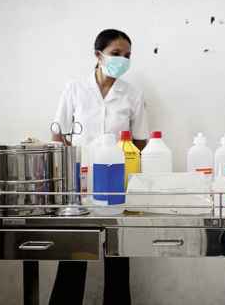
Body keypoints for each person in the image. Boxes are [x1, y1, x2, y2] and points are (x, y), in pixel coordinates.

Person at [50, 28, 149, 305]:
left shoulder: (132, 94)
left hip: (117, 186)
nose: (123, 60)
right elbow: (58, 136)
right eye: (116, 53)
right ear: (98, 55)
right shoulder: (75, 88)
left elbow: (140, 142)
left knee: (117, 258)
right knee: (73, 256)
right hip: (78, 187)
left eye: (127, 55)